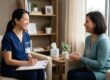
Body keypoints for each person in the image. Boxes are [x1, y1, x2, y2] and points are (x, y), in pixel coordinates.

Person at [1, 9, 45, 80]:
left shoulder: (26, 35)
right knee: (32, 74)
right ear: (16, 21)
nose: (28, 22)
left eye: (28, 20)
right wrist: (27, 63)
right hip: (11, 68)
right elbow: (8, 61)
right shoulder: (8, 37)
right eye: (25, 19)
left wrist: (31, 59)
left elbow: (28, 53)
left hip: (24, 65)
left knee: (41, 70)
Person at [67, 11, 110, 80]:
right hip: (90, 69)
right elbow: (86, 56)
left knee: (77, 76)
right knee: (70, 73)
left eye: (87, 22)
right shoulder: (88, 39)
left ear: (95, 24)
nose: (84, 24)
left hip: (101, 72)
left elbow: (100, 65)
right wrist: (77, 57)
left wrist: (81, 58)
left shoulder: (104, 40)